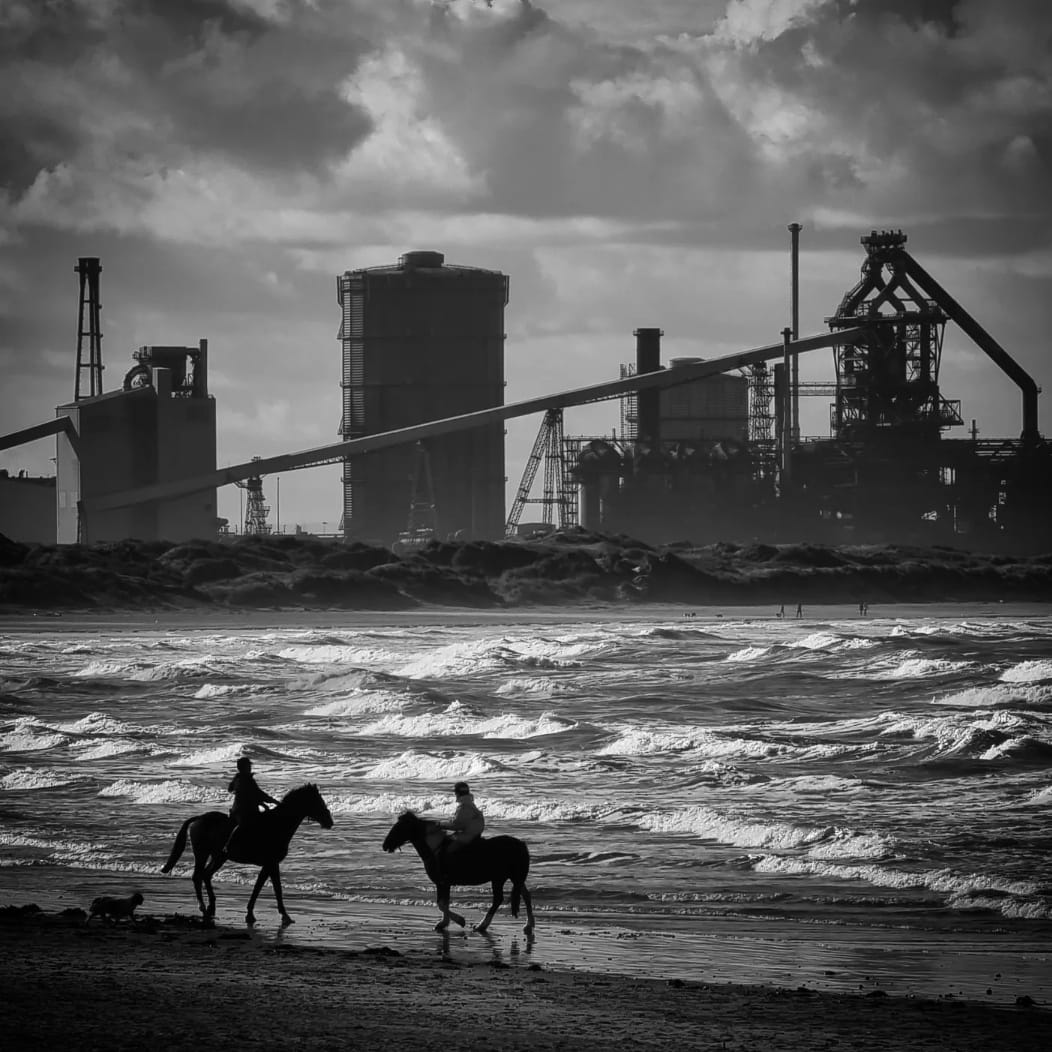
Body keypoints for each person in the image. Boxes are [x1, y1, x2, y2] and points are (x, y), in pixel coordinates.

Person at [224, 756, 278, 853]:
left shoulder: (240, 778)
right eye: (248, 766)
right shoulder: (244, 779)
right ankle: (228, 846)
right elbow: (258, 794)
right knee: (245, 824)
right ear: (244, 767)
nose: (250, 767)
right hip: (242, 810)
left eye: (249, 766)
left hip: (246, 808)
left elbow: (251, 794)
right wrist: (273, 801)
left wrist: (264, 803)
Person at [439, 781, 485, 859]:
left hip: (467, 836)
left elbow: (456, 825)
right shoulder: (469, 803)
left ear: (458, 793)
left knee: (447, 851)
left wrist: (440, 825)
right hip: (473, 834)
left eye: (455, 793)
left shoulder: (464, 806)